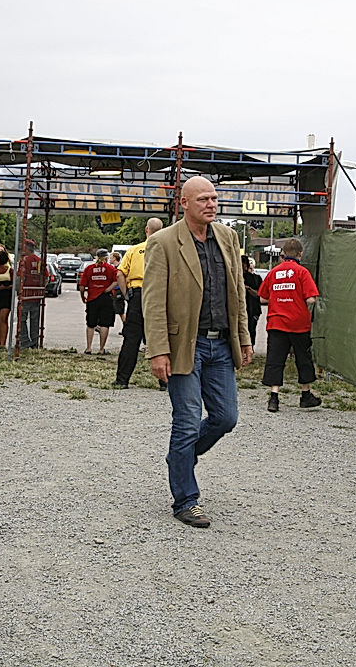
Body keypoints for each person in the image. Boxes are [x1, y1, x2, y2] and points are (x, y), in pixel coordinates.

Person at [143, 177, 252, 529]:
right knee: (187, 421)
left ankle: (181, 457)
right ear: (184, 202)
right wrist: (158, 350)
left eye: (215, 198)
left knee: (226, 418)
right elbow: (153, 302)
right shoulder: (162, 242)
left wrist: (244, 337)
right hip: (183, 346)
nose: (212, 204)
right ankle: (186, 500)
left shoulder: (228, 237)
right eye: (204, 199)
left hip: (221, 344)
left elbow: (237, 292)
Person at [259, 238, 321, 412]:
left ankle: (274, 397)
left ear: (283, 254)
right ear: (300, 254)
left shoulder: (273, 272)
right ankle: (305, 395)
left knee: (275, 359)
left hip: (276, 322)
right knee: (303, 358)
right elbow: (310, 298)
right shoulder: (302, 272)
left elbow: (263, 297)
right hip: (298, 324)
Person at [113, 217, 164, 389]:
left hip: (138, 296)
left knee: (131, 339)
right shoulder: (167, 250)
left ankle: (122, 380)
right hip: (159, 296)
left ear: (146, 230)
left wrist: (127, 295)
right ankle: (165, 382)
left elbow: (120, 274)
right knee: (160, 339)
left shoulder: (134, 250)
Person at [79, 248, 118, 355]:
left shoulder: (89, 268)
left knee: (91, 324)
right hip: (106, 298)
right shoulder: (111, 268)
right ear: (106, 257)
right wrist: (108, 289)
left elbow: (82, 286)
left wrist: (83, 297)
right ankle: (101, 349)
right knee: (105, 324)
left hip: (92, 298)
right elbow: (116, 281)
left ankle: (88, 348)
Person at [17, 239, 46, 349]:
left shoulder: (24, 261)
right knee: (35, 320)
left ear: (27, 248)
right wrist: (41, 289)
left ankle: (24, 341)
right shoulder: (39, 260)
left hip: (25, 294)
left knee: (22, 318)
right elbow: (45, 276)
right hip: (36, 295)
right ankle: (34, 342)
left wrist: (18, 290)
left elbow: (20, 277)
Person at [242, 255, 263, 347]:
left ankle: (250, 347)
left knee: (251, 329)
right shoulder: (233, 277)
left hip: (252, 309)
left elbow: (259, 294)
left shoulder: (255, 279)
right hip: (240, 310)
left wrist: (247, 288)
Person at [108, 251, 127, 330]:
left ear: (115, 258)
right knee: (115, 309)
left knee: (120, 311)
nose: (110, 259)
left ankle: (126, 327)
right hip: (115, 290)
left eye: (111, 258)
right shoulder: (114, 267)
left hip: (119, 290)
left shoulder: (120, 267)